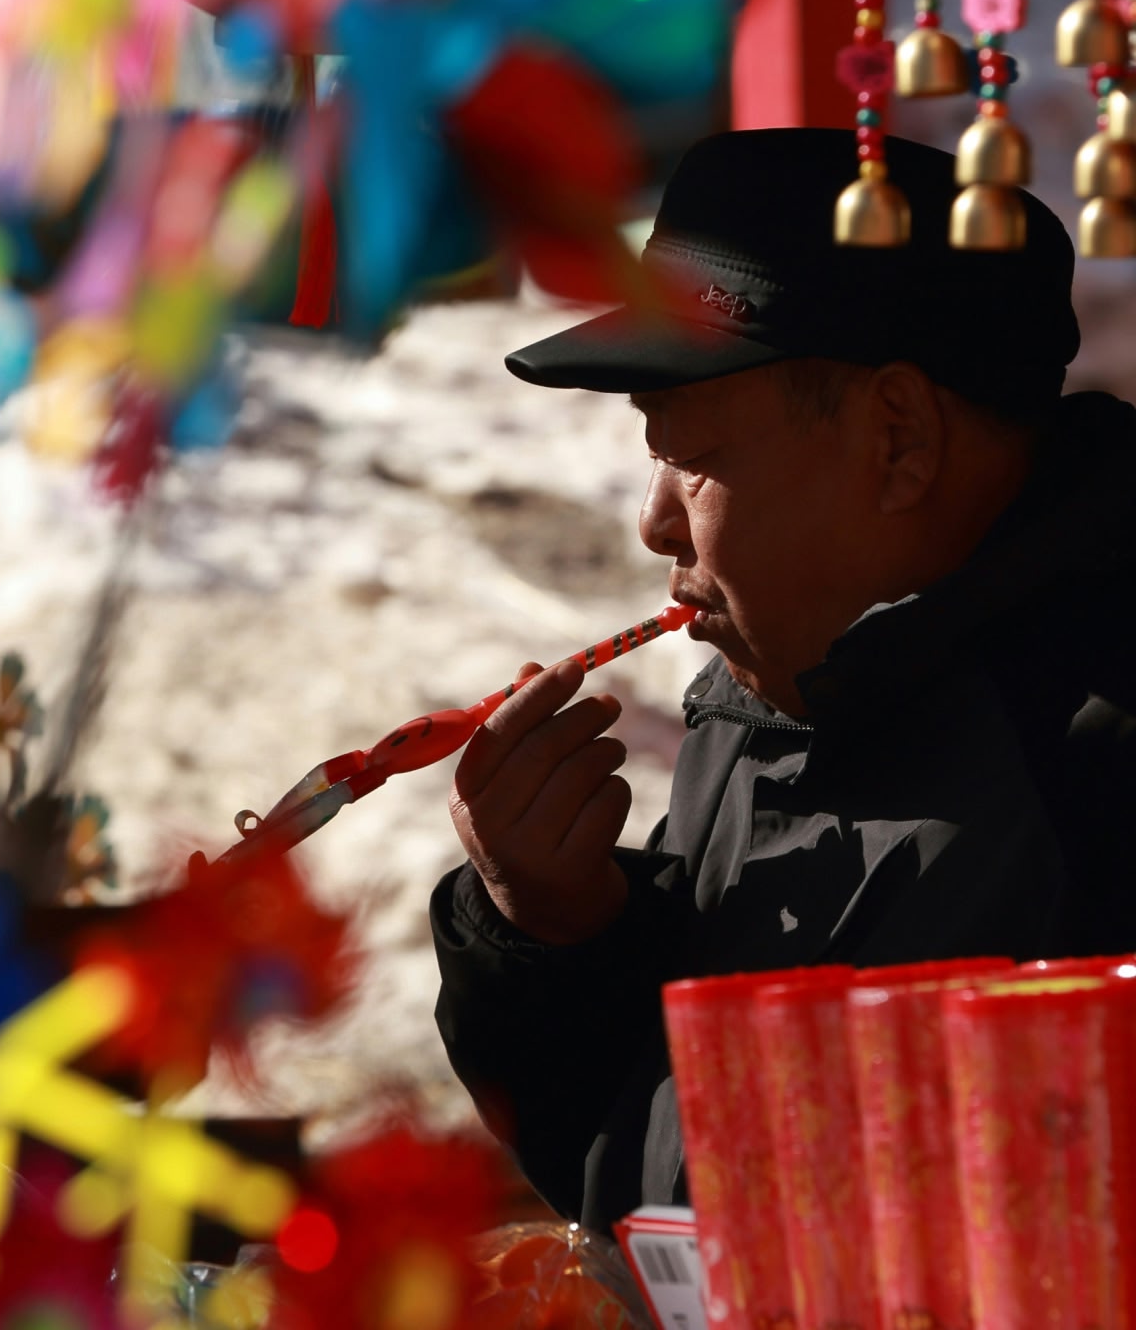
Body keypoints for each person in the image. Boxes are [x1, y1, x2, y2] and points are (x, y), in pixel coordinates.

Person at [429, 126, 1136, 1232]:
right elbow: (653, 1204)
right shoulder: (774, 699)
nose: (655, 520)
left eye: (694, 458)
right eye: (651, 454)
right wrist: (554, 935)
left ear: (898, 439)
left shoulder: (1093, 752)